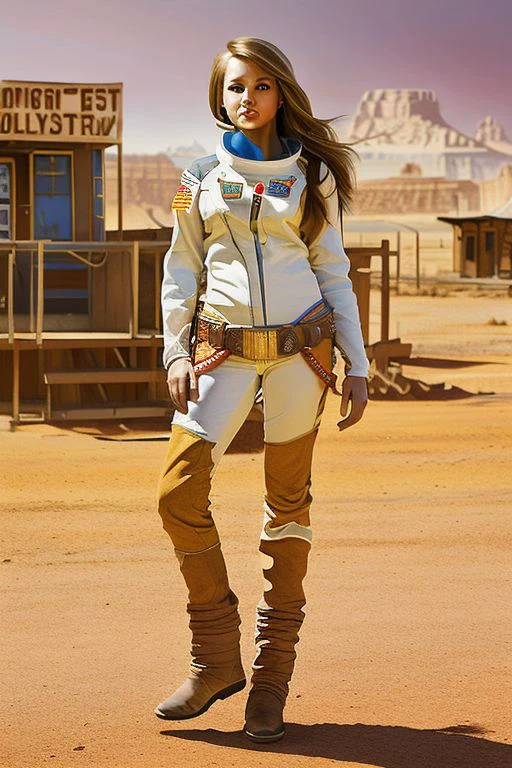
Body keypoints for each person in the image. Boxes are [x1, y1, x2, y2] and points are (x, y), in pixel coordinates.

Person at [154, 36, 369, 743]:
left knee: (287, 510)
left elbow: (332, 270)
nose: (247, 98)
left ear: (282, 92)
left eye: (261, 86)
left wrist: (358, 364)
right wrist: (174, 353)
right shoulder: (199, 177)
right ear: (220, 96)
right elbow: (180, 271)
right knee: (177, 493)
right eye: (235, 87)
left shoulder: (313, 175)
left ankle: (271, 679)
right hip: (220, 356)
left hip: (300, 358)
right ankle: (215, 658)